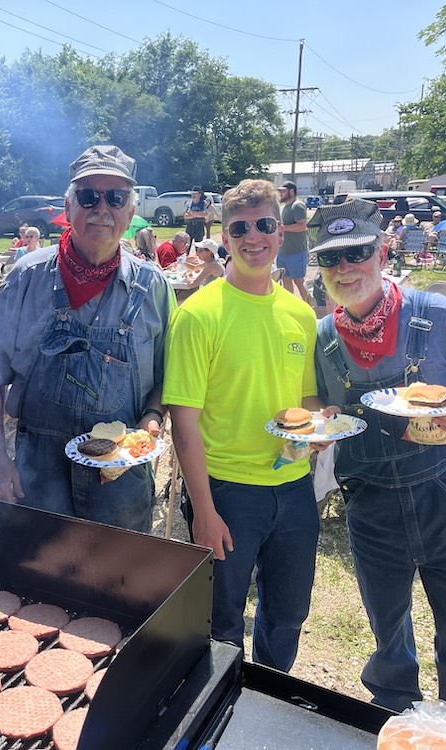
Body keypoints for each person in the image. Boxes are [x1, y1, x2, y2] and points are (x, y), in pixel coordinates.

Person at [309, 198, 446, 748]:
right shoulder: (323, 337)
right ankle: (396, 736)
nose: (346, 268)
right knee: (389, 644)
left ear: (381, 253)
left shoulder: (439, 315)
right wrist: (320, 426)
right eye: (333, 259)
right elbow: (327, 412)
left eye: (358, 253)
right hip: (370, 505)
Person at [0, 144, 174, 531]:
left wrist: (152, 415)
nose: (102, 208)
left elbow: (168, 374)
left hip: (121, 479)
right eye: (88, 196)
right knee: (39, 585)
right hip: (39, 475)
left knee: (121, 586)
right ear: (68, 209)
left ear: (130, 213)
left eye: (115, 197)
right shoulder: (24, 278)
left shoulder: (154, 287)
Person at [164, 179, 321, 670]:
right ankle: (223, 711)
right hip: (228, 491)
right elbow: (183, 423)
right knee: (222, 620)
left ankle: (271, 701)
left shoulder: (300, 312)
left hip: (296, 488)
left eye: (264, 225)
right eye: (240, 228)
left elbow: (307, 397)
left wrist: (321, 422)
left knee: (288, 614)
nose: (254, 236)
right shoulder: (198, 314)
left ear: (281, 231)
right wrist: (204, 512)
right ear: (225, 237)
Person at [277, 181, 312, 304]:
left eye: (283, 191)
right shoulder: (283, 207)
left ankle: (310, 308)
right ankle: (290, 307)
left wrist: (282, 228)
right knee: (286, 281)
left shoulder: (297, 206)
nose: (280, 193)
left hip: (296, 252)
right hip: (283, 252)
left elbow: (302, 226)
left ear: (291, 191)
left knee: (298, 281)